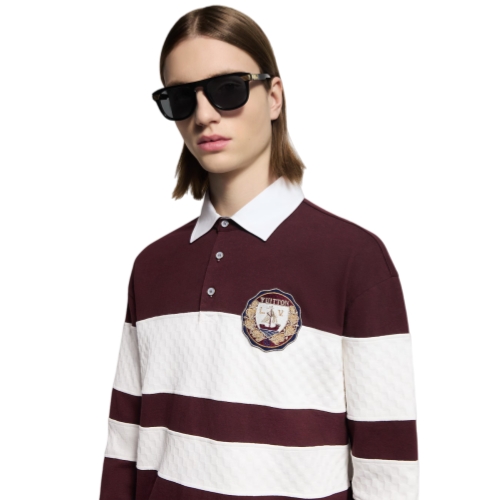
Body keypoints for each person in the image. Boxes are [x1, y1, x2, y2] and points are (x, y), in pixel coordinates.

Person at [98, 5, 419, 500]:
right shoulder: (153, 267)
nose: (204, 115)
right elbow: (124, 444)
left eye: (227, 89)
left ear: (273, 97)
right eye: (181, 98)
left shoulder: (353, 259)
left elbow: (387, 465)